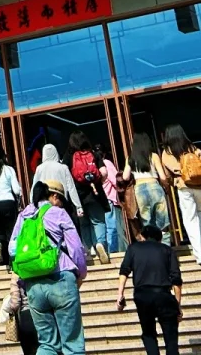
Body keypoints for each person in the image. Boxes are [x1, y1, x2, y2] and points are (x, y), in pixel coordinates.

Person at [8, 179, 87, 355]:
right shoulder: (58, 213)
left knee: (47, 344)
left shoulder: (23, 216)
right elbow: (75, 247)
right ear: (52, 196)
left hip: (33, 285)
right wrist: (81, 273)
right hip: (61, 278)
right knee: (72, 344)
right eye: (60, 199)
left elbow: (12, 249)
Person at [116, 222, 182, 355]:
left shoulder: (133, 248)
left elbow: (124, 271)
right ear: (159, 239)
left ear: (142, 236)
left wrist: (120, 294)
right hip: (164, 295)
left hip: (142, 295)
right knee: (171, 335)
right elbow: (176, 279)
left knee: (148, 333)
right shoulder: (167, 250)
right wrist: (178, 305)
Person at [159, 124, 201, 266]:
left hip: (184, 186)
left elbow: (167, 175)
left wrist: (173, 183)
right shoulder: (192, 147)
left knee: (191, 220)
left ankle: (200, 254)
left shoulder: (167, 152)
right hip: (199, 185)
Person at [67, 131, 110, 262]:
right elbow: (104, 172)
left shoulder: (69, 156)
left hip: (78, 196)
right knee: (98, 221)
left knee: (84, 224)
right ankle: (100, 244)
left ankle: (89, 248)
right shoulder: (94, 154)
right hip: (94, 193)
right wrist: (97, 181)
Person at [123, 133, 171, 234]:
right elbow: (162, 177)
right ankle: (165, 242)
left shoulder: (130, 158)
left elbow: (125, 177)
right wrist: (166, 187)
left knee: (147, 222)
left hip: (139, 189)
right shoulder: (153, 156)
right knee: (162, 221)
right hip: (154, 186)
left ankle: (151, 241)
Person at [30, 145, 83, 222]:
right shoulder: (63, 167)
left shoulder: (39, 169)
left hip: (45, 204)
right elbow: (71, 188)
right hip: (61, 202)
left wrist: (32, 204)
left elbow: (34, 187)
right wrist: (78, 206)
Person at [93, 143, 124, 254]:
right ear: (105, 153)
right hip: (108, 199)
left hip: (98, 200)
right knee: (111, 227)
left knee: (102, 227)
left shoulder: (93, 165)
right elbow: (115, 180)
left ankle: (103, 250)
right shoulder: (106, 163)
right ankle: (112, 251)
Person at [0, 271, 38, 355]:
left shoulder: (17, 273)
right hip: (45, 314)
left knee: (30, 350)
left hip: (26, 316)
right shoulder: (46, 269)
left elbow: (15, 304)